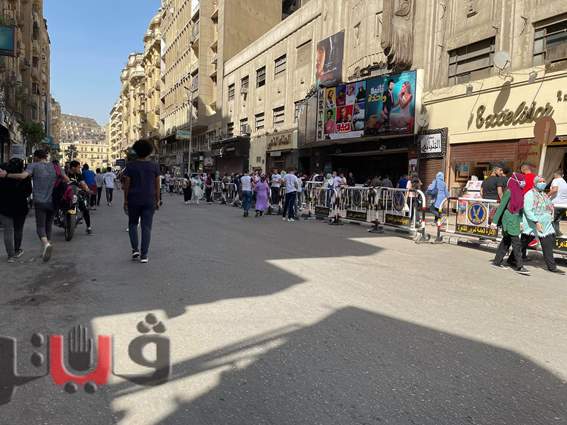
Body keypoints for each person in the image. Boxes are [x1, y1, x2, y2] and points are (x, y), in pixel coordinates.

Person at [0, 149, 67, 262]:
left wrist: (7, 175)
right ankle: (46, 247)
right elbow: (66, 179)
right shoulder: (56, 166)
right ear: (45, 156)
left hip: (40, 202)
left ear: (36, 157)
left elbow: (23, 176)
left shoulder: (33, 166)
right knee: (48, 225)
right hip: (53, 202)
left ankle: (45, 244)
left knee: (40, 227)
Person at [122, 139, 160, 263]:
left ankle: (135, 250)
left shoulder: (130, 166)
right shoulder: (154, 166)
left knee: (133, 224)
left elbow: (127, 184)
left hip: (133, 199)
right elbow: (157, 185)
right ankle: (144, 255)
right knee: (146, 227)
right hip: (149, 200)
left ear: (136, 151)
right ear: (149, 151)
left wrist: (125, 200)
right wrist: (158, 200)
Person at [520, 175, 565, 274]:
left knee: (547, 245)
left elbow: (548, 207)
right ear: (535, 183)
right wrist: (536, 222)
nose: (543, 183)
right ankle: (512, 259)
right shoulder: (529, 194)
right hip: (532, 225)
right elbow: (528, 210)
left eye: (544, 181)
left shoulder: (544, 195)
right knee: (522, 244)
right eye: (540, 181)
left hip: (546, 226)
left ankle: (552, 267)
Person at [491, 172, 530, 275]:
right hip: (508, 219)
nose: (523, 182)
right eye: (521, 180)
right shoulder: (509, 192)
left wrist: (521, 222)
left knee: (506, 241)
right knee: (516, 243)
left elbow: (520, 209)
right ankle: (519, 266)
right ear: (515, 181)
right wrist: (494, 222)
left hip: (516, 219)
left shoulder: (520, 192)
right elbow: (501, 207)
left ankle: (496, 262)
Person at [0, 158, 32, 263]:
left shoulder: (2, 175)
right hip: (20, 207)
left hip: (4, 207)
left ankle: (10, 256)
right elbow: (28, 192)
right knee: (18, 229)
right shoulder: (24, 177)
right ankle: (17, 250)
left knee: (8, 231)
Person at [67, 160, 94, 235]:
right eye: (78, 167)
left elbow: (83, 183)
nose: (79, 169)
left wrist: (88, 190)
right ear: (73, 167)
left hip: (75, 195)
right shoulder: (66, 173)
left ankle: (88, 227)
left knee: (85, 209)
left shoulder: (78, 175)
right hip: (66, 195)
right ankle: (57, 216)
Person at [549, 169, 567, 236]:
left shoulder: (555, 180)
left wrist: (546, 196)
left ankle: (552, 236)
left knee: (551, 220)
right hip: (564, 205)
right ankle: (557, 234)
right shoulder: (565, 182)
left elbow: (555, 189)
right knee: (556, 221)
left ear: (555, 174)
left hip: (556, 204)